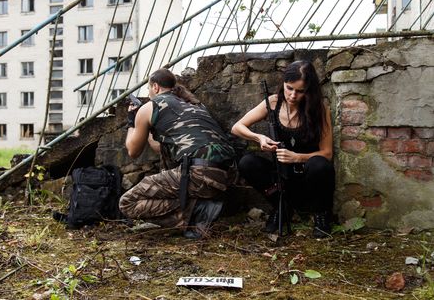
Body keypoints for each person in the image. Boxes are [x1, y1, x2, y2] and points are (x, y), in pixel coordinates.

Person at [119, 68, 238, 239]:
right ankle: (200, 207)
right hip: (228, 174)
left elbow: (133, 151)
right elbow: (161, 147)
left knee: (127, 203)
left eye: (148, 89)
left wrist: (132, 121)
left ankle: (195, 214)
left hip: (199, 174)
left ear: (155, 87)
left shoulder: (150, 107)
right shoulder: (194, 104)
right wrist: (149, 129)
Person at [231, 60, 335, 238]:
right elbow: (237, 127)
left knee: (320, 165)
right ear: (283, 84)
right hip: (280, 179)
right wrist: (259, 138)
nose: (293, 95)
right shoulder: (272, 102)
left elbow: (327, 154)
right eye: (289, 88)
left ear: (309, 90)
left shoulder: (319, 110)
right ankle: (282, 206)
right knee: (247, 162)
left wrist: (296, 157)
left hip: (308, 180)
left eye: (300, 91)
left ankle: (321, 214)